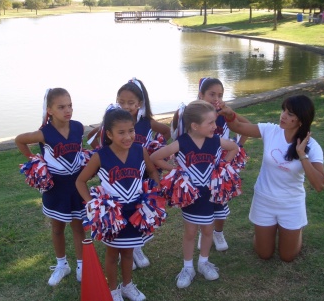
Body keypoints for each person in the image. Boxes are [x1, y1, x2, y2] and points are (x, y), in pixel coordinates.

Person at [151, 100, 239, 289]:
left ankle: (204, 262)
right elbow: (155, 157)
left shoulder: (215, 141)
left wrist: (222, 167)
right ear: (195, 126)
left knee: (208, 230)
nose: (215, 127)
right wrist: (174, 169)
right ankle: (188, 267)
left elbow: (234, 148)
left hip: (211, 194)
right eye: (211, 123)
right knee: (190, 232)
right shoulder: (182, 142)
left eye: (215, 122)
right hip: (192, 196)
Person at [228, 94, 324, 262]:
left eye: (290, 114)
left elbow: (319, 184)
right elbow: (237, 127)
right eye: (283, 110)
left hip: (290, 204)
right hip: (264, 199)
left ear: (301, 120)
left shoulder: (312, 146)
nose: (283, 116)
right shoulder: (271, 130)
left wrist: (302, 155)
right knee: (264, 254)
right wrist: (228, 114)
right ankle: (265, 234)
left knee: (287, 256)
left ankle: (296, 231)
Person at [76, 107, 161, 301]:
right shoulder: (100, 156)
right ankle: (113, 290)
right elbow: (80, 181)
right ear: (109, 134)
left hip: (135, 212)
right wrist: (93, 204)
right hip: (113, 215)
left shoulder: (140, 151)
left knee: (129, 252)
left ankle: (128, 286)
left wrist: (154, 191)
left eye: (131, 131)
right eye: (121, 132)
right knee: (112, 254)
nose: (128, 136)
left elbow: (152, 172)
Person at [86, 78, 170, 269]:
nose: (125, 106)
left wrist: (154, 149)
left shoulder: (146, 122)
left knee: (139, 212)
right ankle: (123, 245)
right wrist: (104, 135)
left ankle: (135, 247)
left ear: (139, 104)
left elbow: (166, 131)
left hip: (141, 173)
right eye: (121, 102)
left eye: (130, 103)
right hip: (118, 173)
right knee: (123, 208)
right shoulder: (114, 122)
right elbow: (92, 141)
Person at [15, 88, 86, 286]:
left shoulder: (79, 127)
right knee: (57, 227)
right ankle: (62, 264)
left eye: (70, 105)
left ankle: (81, 265)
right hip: (56, 187)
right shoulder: (44, 133)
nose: (67, 110)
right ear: (50, 110)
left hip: (76, 185)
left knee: (78, 227)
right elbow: (20, 140)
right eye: (61, 107)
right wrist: (35, 161)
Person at [196, 77, 251, 251]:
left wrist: (238, 146)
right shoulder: (194, 116)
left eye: (219, 95)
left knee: (221, 200)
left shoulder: (224, 116)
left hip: (221, 167)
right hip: (200, 166)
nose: (216, 98)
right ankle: (203, 232)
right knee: (202, 201)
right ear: (201, 95)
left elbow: (247, 126)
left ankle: (218, 233)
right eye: (211, 94)